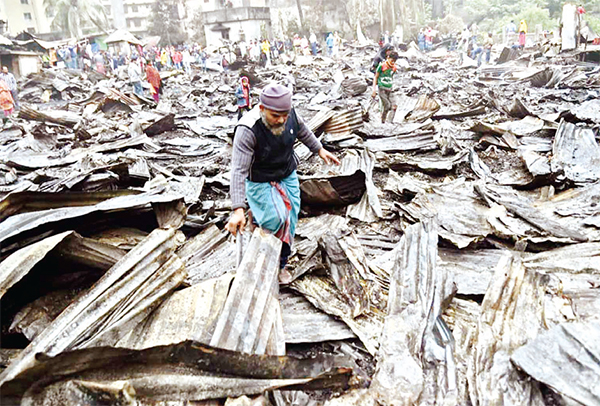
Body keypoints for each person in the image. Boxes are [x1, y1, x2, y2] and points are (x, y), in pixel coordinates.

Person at [225, 84, 340, 268]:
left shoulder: (290, 114)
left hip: (286, 171)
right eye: (275, 116)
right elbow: (238, 170)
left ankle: (281, 262)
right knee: (276, 218)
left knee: (291, 217)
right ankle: (267, 257)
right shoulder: (247, 129)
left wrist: (319, 149)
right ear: (262, 109)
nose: (281, 120)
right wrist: (238, 209)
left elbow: (302, 130)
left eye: (284, 116)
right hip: (260, 179)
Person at [371, 51, 398, 123]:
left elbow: (391, 77)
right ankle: (383, 121)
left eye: (394, 61)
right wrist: (374, 90)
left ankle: (389, 122)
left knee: (394, 106)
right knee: (387, 106)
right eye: (392, 60)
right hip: (382, 88)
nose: (393, 62)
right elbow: (376, 77)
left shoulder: (394, 68)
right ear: (388, 58)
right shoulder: (381, 66)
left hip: (390, 89)